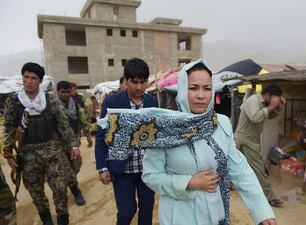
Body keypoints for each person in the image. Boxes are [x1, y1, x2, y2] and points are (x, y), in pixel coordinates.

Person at [99, 59, 275, 224]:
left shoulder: (221, 123)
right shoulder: (164, 127)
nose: (201, 95)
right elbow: (151, 176)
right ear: (183, 89)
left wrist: (262, 211)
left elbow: (240, 170)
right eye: (193, 88)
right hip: (180, 216)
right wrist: (189, 183)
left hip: (215, 214)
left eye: (206, 88)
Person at [2, 62, 80, 225]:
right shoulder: (13, 101)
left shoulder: (49, 100)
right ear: (22, 78)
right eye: (26, 77)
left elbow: (63, 123)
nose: (29, 81)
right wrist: (8, 153)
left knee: (60, 189)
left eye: (34, 78)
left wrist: (73, 145)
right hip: (28, 156)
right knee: (36, 192)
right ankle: (46, 220)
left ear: (40, 81)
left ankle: (63, 220)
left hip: (52, 151)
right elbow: (9, 127)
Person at [95, 58, 158, 225]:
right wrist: (102, 167)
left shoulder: (152, 102)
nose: (139, 87)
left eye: (142, 82)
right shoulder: (112, 102)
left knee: (147, 210)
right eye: (134, 82)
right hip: (122, 170)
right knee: (126, 212)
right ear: (126, 80)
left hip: (147, 170)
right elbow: (101, 137)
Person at [234, 84, 285, 207]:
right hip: (247, 140)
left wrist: (278, 107)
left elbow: (269, 116)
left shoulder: (263, 103)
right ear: (268, 95)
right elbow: (255, 117)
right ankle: (269, 197)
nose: (276, 100)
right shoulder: (253, 100)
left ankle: (227, 184)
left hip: (249, 139)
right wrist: (272, 106)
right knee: (260, 169)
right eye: (276, 98)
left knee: (236, 165)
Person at [56, 80, 93, 206]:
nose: (66, 94)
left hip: (75, 141)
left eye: (68, 92)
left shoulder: (76, 104)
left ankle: (69, 181)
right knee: (66, 169)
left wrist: (88, 136)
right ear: (58, 92)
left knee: (76, 164)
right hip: (59, 144)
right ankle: (76, 191)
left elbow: (83, 120)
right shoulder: (53, 106)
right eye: (63, 92)